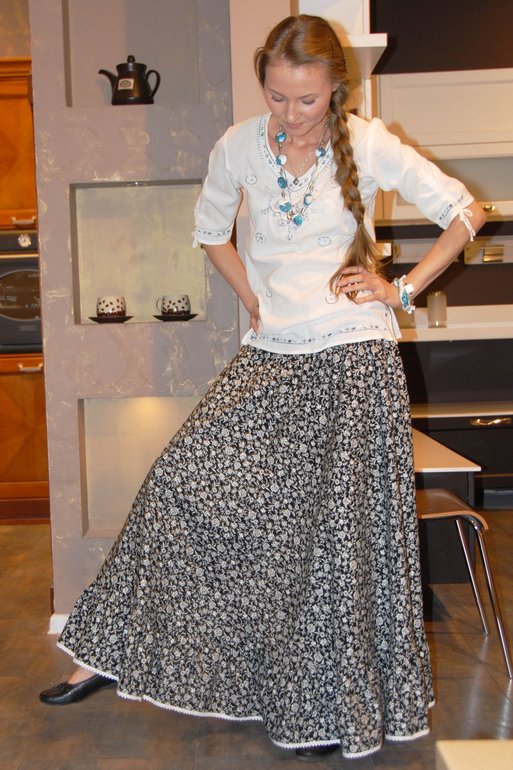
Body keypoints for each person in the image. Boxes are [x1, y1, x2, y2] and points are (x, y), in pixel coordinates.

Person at [40, 14, 485, 762]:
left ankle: (322, 709)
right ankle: (108, 651)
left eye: (306, 98)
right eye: (277, 97)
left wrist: (400, 291)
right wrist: (253, 298)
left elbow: (465, 212)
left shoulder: (367, 142)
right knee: (177, 481)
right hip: (273, 349)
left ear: (334, 87)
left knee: (330, 539)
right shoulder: (238, 145)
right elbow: (210, 230)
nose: (290, 113)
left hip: (353, 355)